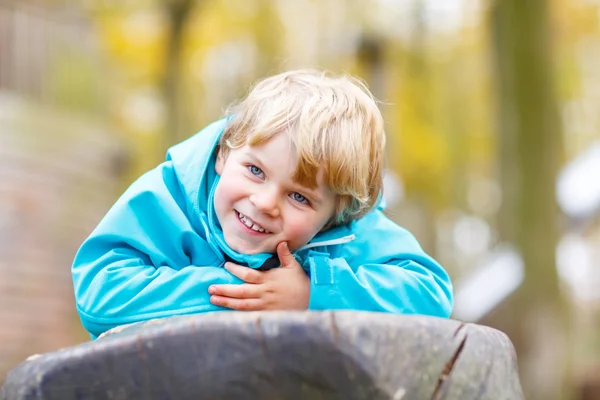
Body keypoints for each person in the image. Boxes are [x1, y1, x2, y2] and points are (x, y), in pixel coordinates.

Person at [72, 69, 453, 339]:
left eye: (300, 197)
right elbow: (99, 294)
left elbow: (430, 295)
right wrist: (247, 294)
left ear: (335, 215)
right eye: (255, 171)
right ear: (224, 153)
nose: (266, 202)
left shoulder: (349, 228)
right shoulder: (168, 196)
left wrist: (310, 293)